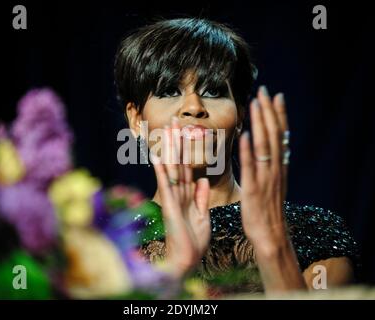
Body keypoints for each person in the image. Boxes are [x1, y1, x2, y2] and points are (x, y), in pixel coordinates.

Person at [114, 18, 359, 294]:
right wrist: (176, 270)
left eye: (214, 91)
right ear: (136, 119)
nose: (194, 107)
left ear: (240, 114)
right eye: (170, 91)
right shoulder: (110, 244)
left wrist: (273, 246)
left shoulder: (314, 234)